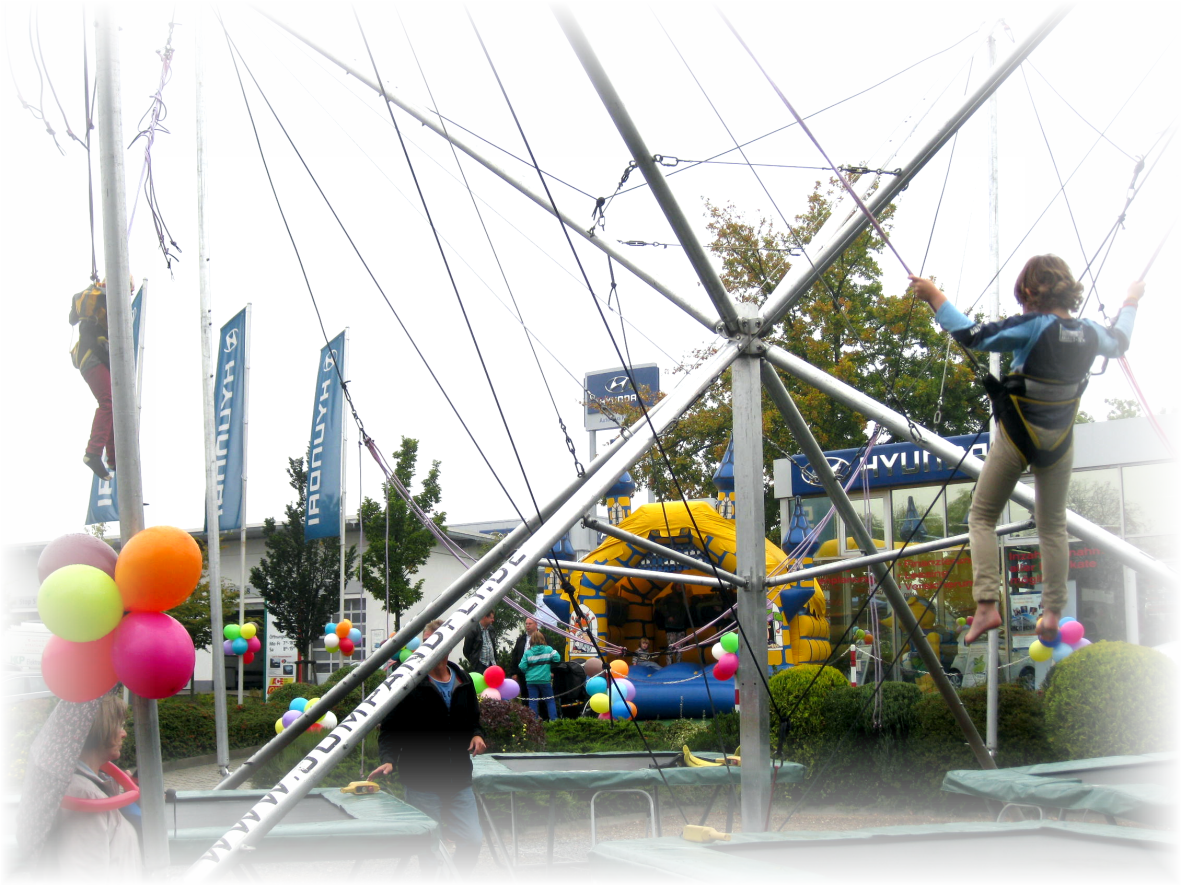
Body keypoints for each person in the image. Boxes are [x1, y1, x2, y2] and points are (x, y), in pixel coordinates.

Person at [909, 257, 1141, 645]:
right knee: (1053, 526)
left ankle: (986, 605)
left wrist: (934, 296)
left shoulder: (1034, 326)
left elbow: (972, 335)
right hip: (1060, 440)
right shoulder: (1090, 334)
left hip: (1018, 436)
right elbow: (1120, 341)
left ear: (1032, 293)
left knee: (981, 517)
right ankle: (1052, 614)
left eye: (1022, 299)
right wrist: (1131, 300)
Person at [370, 619, 487, 883]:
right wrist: (388, 760)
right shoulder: (408, 680)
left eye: (435, 641)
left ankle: (447, 880)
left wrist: (478, 735)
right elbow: (390, 727)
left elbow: (473, 720)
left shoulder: (463, 679)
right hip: (421, 781)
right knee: (429, 850)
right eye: (426, 641)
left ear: (448, 644)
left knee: (471, 841)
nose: (429, 646)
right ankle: (434, 881)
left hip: (459, 779)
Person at [42, 694, 141, 884]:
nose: (124, 733)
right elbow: (84, 876)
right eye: (119, 726)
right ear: (100, 731)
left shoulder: (94, 786)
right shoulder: (84, 795)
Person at [70, 279, 115, 481]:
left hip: (96, 359)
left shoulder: (103, 305)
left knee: (114, 405)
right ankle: (93, 453)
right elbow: (75, 316)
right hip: (91, 358)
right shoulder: (100, 300)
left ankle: (114, 458)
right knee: (109, 402)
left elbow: (73, 317)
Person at [518, 629, 561, 720]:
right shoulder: (548, 649)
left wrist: (528, 672)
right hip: (545, 679)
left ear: (531, 640)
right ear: (542, 639)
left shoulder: (528, 652)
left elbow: (522, 666)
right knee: (550, 701)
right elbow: (557, 658)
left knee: (533, 701)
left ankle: (534, 721)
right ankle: (554, 721)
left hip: (531, 680)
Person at [510, 616, 539, 686]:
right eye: (526, 624)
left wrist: (551, 671)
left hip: (538, 672)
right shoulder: (521, 639)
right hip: (523, 672)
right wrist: (514, 672)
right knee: (525, 694)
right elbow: (515, 656)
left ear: (536, 624)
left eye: (530, 624)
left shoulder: (543, 638)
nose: (527, 626)